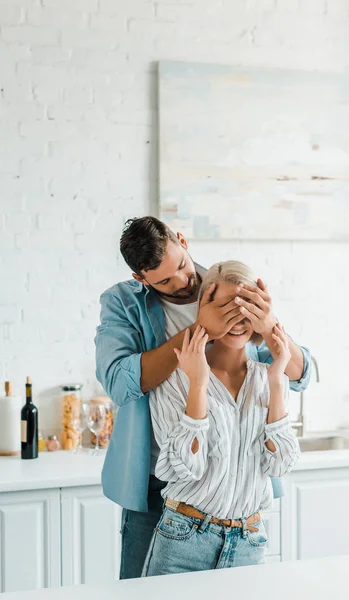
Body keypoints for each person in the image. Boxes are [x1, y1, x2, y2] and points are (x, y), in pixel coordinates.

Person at [95, 216, 311, 579]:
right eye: (163, 280)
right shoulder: (122, 303)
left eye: (181, 266)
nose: (181, 283)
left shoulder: (228, 283)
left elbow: (302, 373)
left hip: (237, 494)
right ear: (141, 279)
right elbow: (120, 383)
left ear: (183, 240)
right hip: (159, 481)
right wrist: (201, 330)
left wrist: (273, 327)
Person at [142, 261, 300, 576]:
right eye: (225, 306)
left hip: (248, 542)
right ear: (205, 310)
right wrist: (198, 384)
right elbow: (183, 468)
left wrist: (276, 380)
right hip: (183, 540)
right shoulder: (177, 379)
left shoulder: (269, 378)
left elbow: (280, 464)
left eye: (247, 306)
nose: (237, 317)